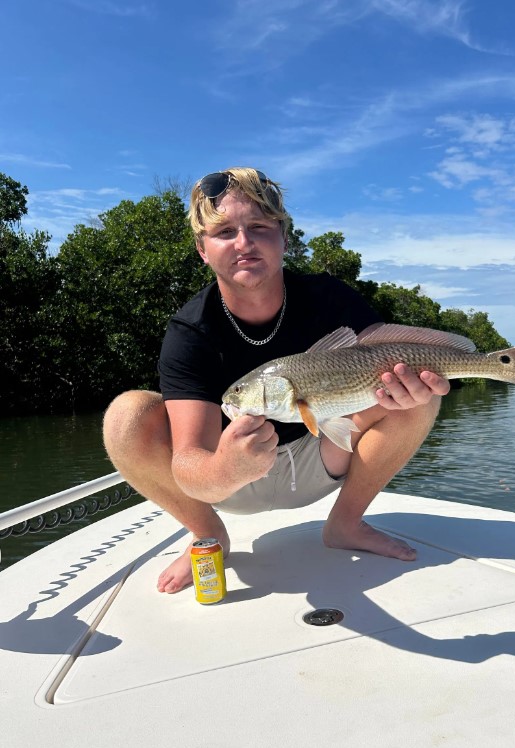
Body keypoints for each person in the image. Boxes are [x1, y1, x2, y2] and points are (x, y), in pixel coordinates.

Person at [102, 167, 450, 594]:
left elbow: (388, 351)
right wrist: (225, 466)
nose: (244, 243)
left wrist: (406, 391)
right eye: (225, 231)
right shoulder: (189, 332)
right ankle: (208, 536)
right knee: (126, 415)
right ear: (202, 250)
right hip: (227, 481)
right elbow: (190, 464)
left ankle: (345, 523)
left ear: (284, 239)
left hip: (322, 457)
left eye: (259, 227)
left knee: (417, 397)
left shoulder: (330, 299)